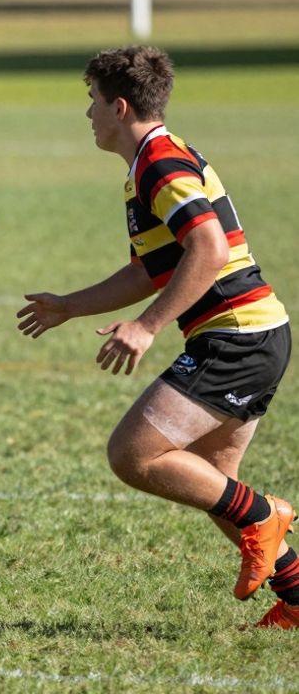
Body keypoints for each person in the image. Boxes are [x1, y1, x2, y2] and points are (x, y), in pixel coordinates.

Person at [18, 46, 295, 629]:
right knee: (210, 480)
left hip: (238, 337)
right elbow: (150, 270)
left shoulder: (161, 166)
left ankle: (268, 516)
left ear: (119, 106)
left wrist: (146, 327)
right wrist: (70, 306)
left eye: (92, 101)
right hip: (250, 334)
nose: (88, 114)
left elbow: (210, 249)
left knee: (134, 455)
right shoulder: (149, 164)